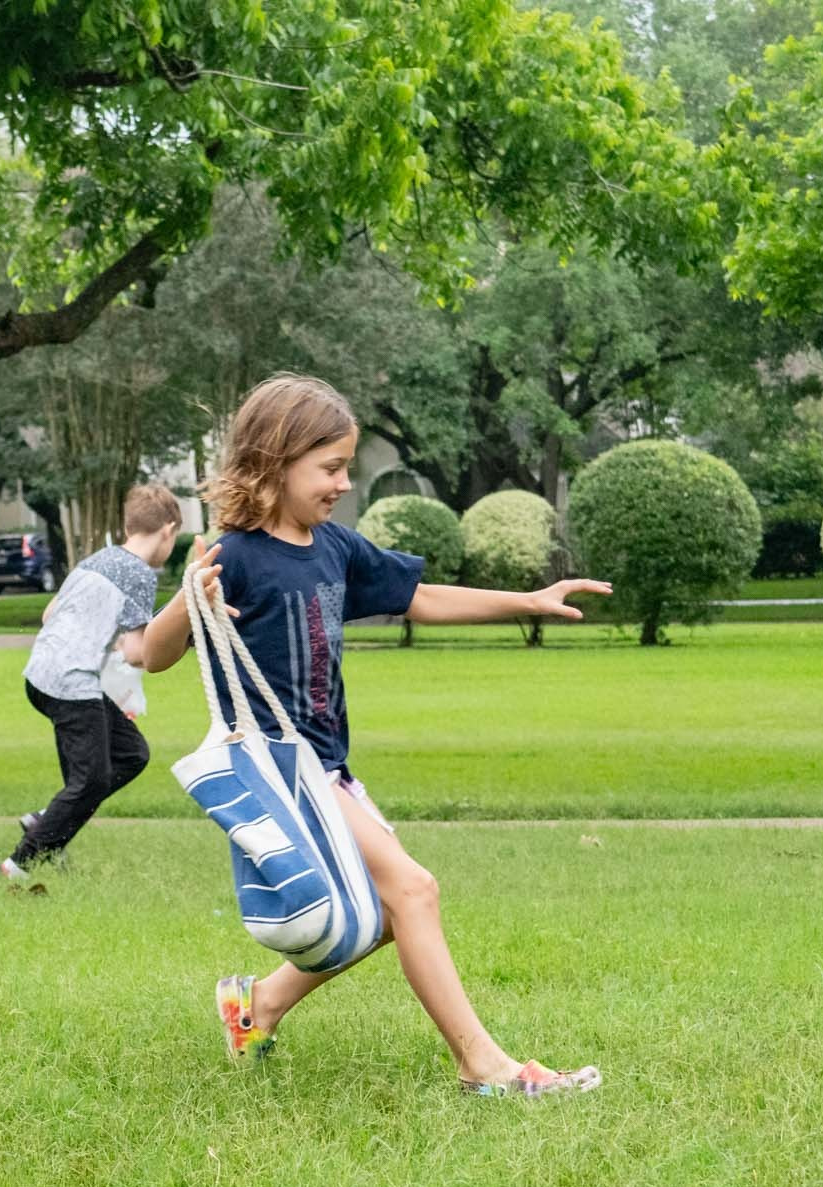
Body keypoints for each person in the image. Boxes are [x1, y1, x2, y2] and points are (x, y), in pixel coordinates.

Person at [141, 374, 606, 1097]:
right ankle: (484, 1067)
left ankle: (256, 1004)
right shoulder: (231, 557)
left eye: (344, 466)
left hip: (328, 769)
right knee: (413, 890)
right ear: (274, 460)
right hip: (280, 773)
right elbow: (152, 653)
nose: (342, 482)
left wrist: (527, 601)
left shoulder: (333, 547)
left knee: (390, 915)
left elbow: (417, 596)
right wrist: (186, 602)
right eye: (328, 467)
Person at [1, 484, 182, 878]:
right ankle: (20, 863)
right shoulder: (140, 573)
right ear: (168, 530)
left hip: (41, 673)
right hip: (71, 681)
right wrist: (181, 633)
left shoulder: (98, 559)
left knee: (131, 753)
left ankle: (49, 821)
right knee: (91, 779)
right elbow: (139, 655)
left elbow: (51, 615)